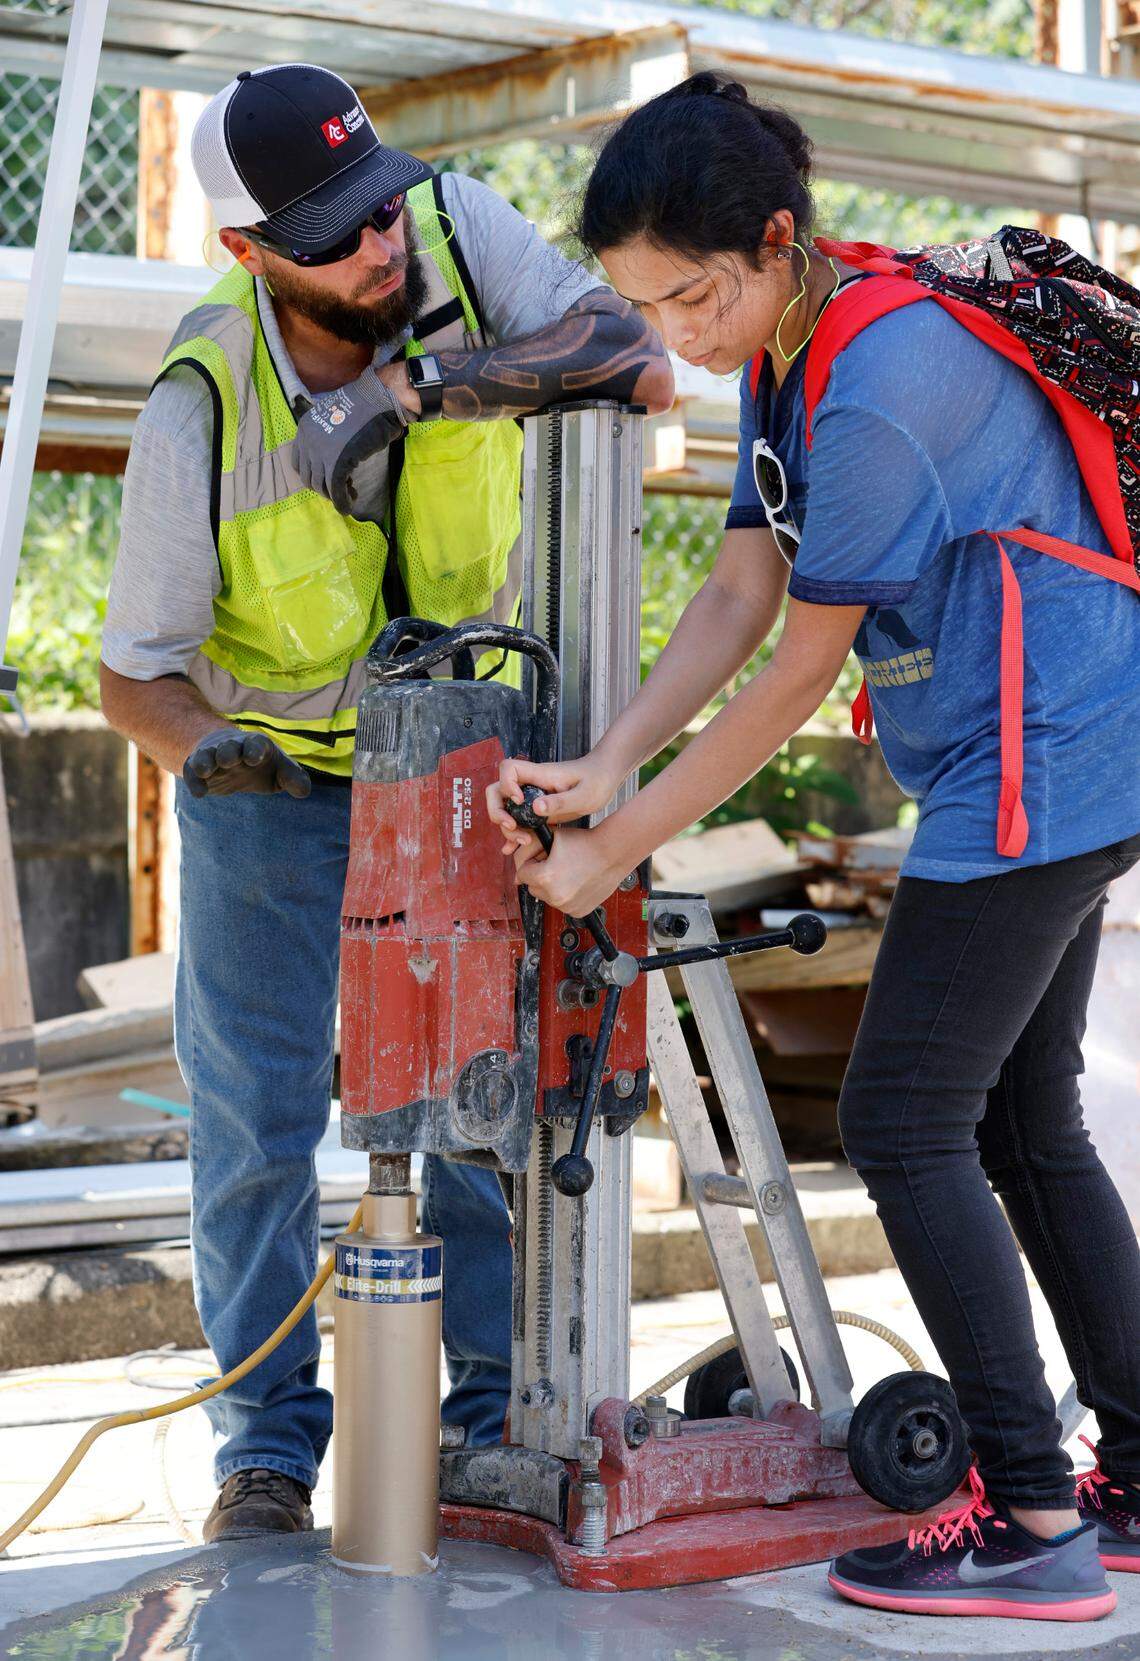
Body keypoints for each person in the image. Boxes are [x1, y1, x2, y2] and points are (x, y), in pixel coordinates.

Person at [488, 72, 1140, 1623]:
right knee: (1019, 1111)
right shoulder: (792, 351)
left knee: (905, 1110)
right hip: (1045, 748)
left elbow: (792, 674)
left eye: (697, 293)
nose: (681, 333)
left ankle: (1030, 1510)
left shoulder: (880, 380)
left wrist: (613, 856)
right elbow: (732, 595)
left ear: (780, 240)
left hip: (1049, 756)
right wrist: (606, 765)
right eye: (648, 304)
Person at [99, 62, 672, 1544]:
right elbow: (135, 678)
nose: (381, 241)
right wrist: (206, 758)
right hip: (273, 779)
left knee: (475, 1099)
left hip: (458, 755)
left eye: (378, 200)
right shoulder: (198, 410)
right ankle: (268, 1451)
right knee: (258, 1123)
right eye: (339, 233)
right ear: (250, 253)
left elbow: (639, 359)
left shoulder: (455, 235)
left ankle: (486, 1422)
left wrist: (427, 385)